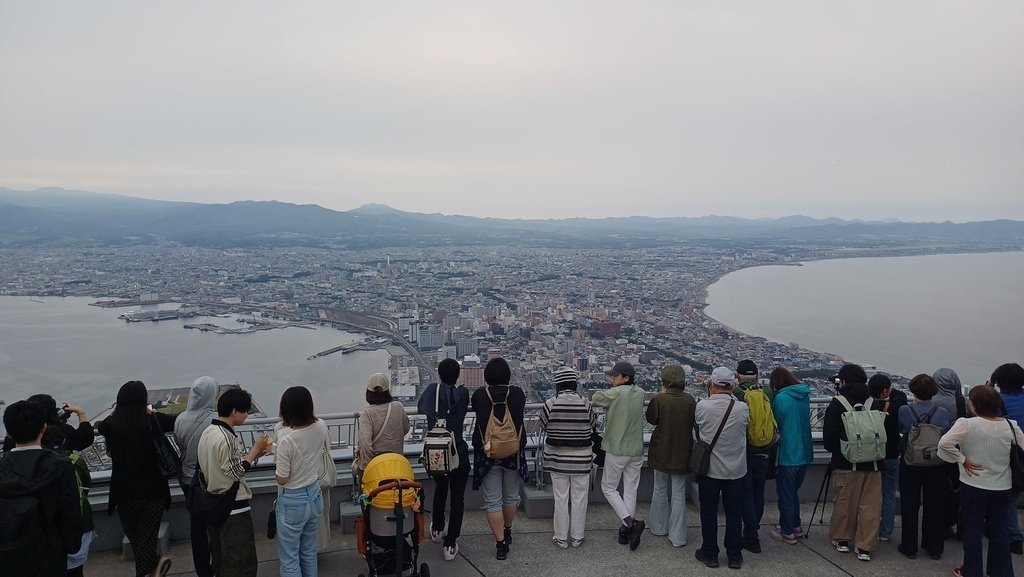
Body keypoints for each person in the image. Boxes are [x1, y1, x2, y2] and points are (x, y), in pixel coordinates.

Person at [5, 394, 96, 577]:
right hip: (52, 554)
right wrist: (71, 547)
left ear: (8, 432)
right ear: (43, 428)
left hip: (10, 555)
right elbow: (70, 513)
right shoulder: (61, 466)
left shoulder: (4, 466)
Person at [939, 384, 1024, 577]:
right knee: (999, 531)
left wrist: (962, 459)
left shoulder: (967, 424)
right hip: (1002, 486)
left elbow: (944, 444)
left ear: (974, 405)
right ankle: (1001, 572)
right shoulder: (1010, 426)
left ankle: (972, 570)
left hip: (973, 485)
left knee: (973, 531)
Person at [96, 380, 177, 577]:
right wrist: (151, 413)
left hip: (124, 491)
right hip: (153, 489)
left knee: (137, 539)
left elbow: (99, 426)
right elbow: (177, 420)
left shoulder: (109, 425)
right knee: (147, 539)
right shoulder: (152, 420)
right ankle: (154, 566)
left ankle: (154, 566)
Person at [196, 387, 272, 577]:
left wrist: (253, 456)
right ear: (234, 412)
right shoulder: (227, 437)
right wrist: (255, 449)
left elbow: (222, 466)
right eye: (245, 411)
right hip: (233, 507)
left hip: (214, 503)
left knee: (221, 560)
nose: (246, 415)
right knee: (240, 561)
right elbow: (236, 472)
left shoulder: (209, 432)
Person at [822, 363, 884, 562]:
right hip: (874, 464)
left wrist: (838, 453)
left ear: (844, 381)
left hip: (846, 463)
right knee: (870, 507)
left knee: (845, 502)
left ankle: (842, 540)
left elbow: (829, 437)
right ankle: (865, 547)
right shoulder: (873, 403)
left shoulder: (838, 403)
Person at [470, 357, 528, 561]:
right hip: (513, 454)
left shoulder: (479, 395)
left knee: (492, 501)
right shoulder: (518, 394)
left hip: (487, 455)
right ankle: (508, 529)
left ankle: (500, 544)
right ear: (508, 376)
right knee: (511, 496)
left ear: (486, 376)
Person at [694, 367, 750, 570]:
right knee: (734, 513)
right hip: (736, 471)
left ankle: (710, 554)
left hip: (709, 470)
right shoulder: (742, 408)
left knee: (708, 512)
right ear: (733, 386)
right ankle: (734, 555)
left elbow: (699, 429)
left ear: (711, 385)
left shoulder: (703, 407)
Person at [417, 358, 470, 560]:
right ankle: (451, 543)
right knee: (458, 498)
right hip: (458, 452)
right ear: (457, 376)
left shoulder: (432, 391)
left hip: (437, 452)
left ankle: (437, 529)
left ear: (439, 375)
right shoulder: (463, 393)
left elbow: (422, 407)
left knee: (441, 489)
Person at [274, 386, 330, 577]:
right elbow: (305, 452)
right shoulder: (320, 426)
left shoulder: (286, 440)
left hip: (292, 501)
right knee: (308, 552)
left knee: (289, 557)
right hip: (314, 494)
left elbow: (282, 478)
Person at [593, 360, 647, 550]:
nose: (612, 379)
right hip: (637, 449)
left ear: (626, 378)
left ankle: (631, 523)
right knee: (630, 489)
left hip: (617, 448)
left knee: (608, 487)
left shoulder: (615, 393)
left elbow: (597, 398)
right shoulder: (640, 393)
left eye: (615, 376)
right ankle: (625, 532)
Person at [897, 373, 951, 560]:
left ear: (913, 390)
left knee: (909, 505)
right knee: (935, 506)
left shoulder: (905, 410)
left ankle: (909, 546)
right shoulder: (943, 413)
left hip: (910, 462)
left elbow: (901, 430)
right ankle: (934, 547)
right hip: (936, 463)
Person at [540, 366, 596, 548]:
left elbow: (543, 425)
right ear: (574, 384)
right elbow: (593, 423)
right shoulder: (585, 403)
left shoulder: (550, 403)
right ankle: (578, 537)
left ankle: (561, 538)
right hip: (581, 460)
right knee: (580, 498)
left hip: (557, 459)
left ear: (557, 384)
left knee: (560, 498)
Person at [645, 364, 695, 548]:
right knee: (679, 492)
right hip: (683, 450)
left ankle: (659, 527)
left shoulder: (659, 399)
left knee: (659, 488)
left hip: (661, 449)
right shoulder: (690, 400)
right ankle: (678, 535)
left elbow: (651, 419)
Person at [174, 376, 219, 577]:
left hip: (187, 479)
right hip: (209, 479)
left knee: (197, 525)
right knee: (217, 523)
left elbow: (179, 444)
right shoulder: (215, 419)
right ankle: (218, 562)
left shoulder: (180, 419)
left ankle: (202, 569)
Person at [769, 366, 813, 544]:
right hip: (805, 451)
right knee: (793, 492)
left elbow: (775, 423)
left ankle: (787, 531)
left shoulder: (781, 398)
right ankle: (795, 525)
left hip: (788, 452)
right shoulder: (804, 396)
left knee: (785, 493)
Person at [733, 359, 770, 553]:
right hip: (766, 449)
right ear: (756, 374)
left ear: (738, 376)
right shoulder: (768, 392)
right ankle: (753, 529)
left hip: (745, 450)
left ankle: (751, 536)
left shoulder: (738, 393)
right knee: (758, 492)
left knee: (745, 494)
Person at [868, 373, 905, 543]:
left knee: (869, 494)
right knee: (889, 493)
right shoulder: (896, 407)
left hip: (871, 454)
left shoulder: (869, 406)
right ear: (885, 391)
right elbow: (900, 396)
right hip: (891, 454)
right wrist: (889, 391)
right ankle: (886, 531)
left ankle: (869, 527)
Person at [992, 363, 1024, 554]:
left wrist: (987, 389)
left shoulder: (997, 401)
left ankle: (1014, 538)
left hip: (1008, 457)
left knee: (1008, 501)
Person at [934, 367, 970, 540]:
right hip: (958, 452)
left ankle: (942, 525)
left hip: (935, 451)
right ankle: (957, 525)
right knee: (956, 489)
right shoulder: (961, 401)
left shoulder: (931, 400)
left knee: (939, 490)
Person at [355, 373, 410, 474]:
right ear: (387, 390)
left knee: (363, 483)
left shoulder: (367, 413)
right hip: (397, 462)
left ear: (368, 392)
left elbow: (365, 444)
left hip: (377, 467)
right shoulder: (398, 407)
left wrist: (366, 468)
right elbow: (405, 429)